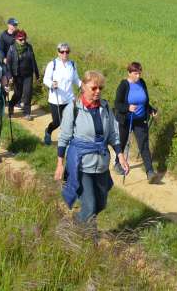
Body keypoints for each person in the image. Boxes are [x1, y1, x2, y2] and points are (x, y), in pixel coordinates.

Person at [55, 70, 128, 230]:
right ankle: (78, 231)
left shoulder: (106, 107)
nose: (98, 91)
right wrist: (60, 164)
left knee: (100, 204)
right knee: (89, 206)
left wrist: (120, 155)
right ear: (83, 86)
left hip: (101, 164)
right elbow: (64, 137)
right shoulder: (73, 108)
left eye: (100, 88)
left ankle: (81, 224)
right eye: (94, 88)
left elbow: (114, 134)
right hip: (82, 165)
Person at [114, 62, 160, 183]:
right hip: (126, 120)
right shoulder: (123, 85)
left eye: (139, 73)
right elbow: (117, 104)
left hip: (140, 120)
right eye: (135, 73)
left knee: (144, 144)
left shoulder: (142, 83)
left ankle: (150, 172)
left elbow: (144, 102)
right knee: (122, 143)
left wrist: (151, 110)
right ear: (129, 73)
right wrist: (127, 108)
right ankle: (117, 163)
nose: (138, 76)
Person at [42, 43, 82, 145]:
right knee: (57, 122)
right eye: (62, 51)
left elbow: (75, 79)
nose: (65, 54)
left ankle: (69, 140)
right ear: (58, 52)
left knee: (71, 120)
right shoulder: (52, 64)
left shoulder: (72, 64)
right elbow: (46, 79)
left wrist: (83, 86)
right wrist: (51, 84)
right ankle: (48, 131)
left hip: (69, 99)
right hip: (56, 99)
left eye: (67, 52)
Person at [5, 30, 40, 120]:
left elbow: (33, 61)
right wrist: (10, 76)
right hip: (17, 75)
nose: (23, 41)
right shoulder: (12, 49)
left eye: (24, 39)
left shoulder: (29, 47)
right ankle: (11, 105)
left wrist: (37, 74)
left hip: (28, 75)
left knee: (28, 94)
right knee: (18, 94)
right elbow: (8, 64)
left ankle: (26, 113)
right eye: (21, 40)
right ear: (16, 39)